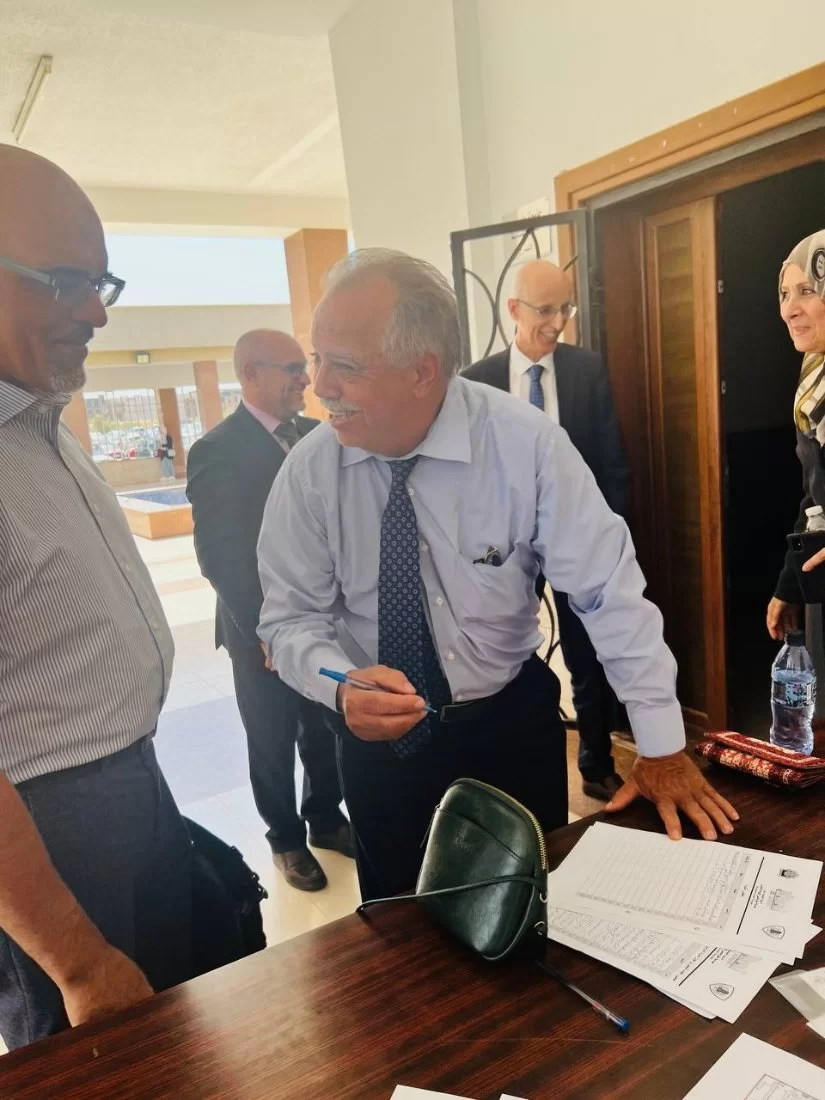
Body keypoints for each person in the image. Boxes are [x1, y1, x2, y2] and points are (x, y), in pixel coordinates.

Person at [256, 248, 739, 903]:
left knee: (527, 918)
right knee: (398, 932)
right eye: (318, 359)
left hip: (508, 733)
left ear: (421, 371)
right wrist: (339, 685)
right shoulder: (310, 473)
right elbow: (288, 620)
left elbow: (608, 593)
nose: (320, 385)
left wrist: (658, 745)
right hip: (379, 747)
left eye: (344, 366)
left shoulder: (524, 445)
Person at [0, 144, 192, 1051]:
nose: (95, 312)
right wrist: (75, 962)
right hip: (46, 850)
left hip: (130, 792)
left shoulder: (38, 421)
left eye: (100, 281)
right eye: (65, 281)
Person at [187, 330, 352, 892]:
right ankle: (285, 839)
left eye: (305, 365)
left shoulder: (317, 434)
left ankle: (325, 818)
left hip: (323, 621)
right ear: (250, 374)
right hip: (256, 628)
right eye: (292, 369)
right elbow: (219, 554)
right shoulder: (217, 449)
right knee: (272, 737)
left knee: (324, 726)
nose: (306, 378)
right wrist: (267, 629)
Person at [463, 259, 629, 801]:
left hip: (574, 535)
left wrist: (611, 539)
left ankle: (597, 763)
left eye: (565, 309)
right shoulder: (476, 381)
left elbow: (610, 458)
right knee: (504, 646)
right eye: (545, 310)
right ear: (514, 309)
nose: (558, 322)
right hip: (507, 543)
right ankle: (508, 763)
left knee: (588, 650)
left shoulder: (586, 369)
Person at [768, 230, 825, 638]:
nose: (790, 310)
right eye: (785, 294)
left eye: (807, 290)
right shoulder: (813, 379)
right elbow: (815, 493)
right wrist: (788, 584)